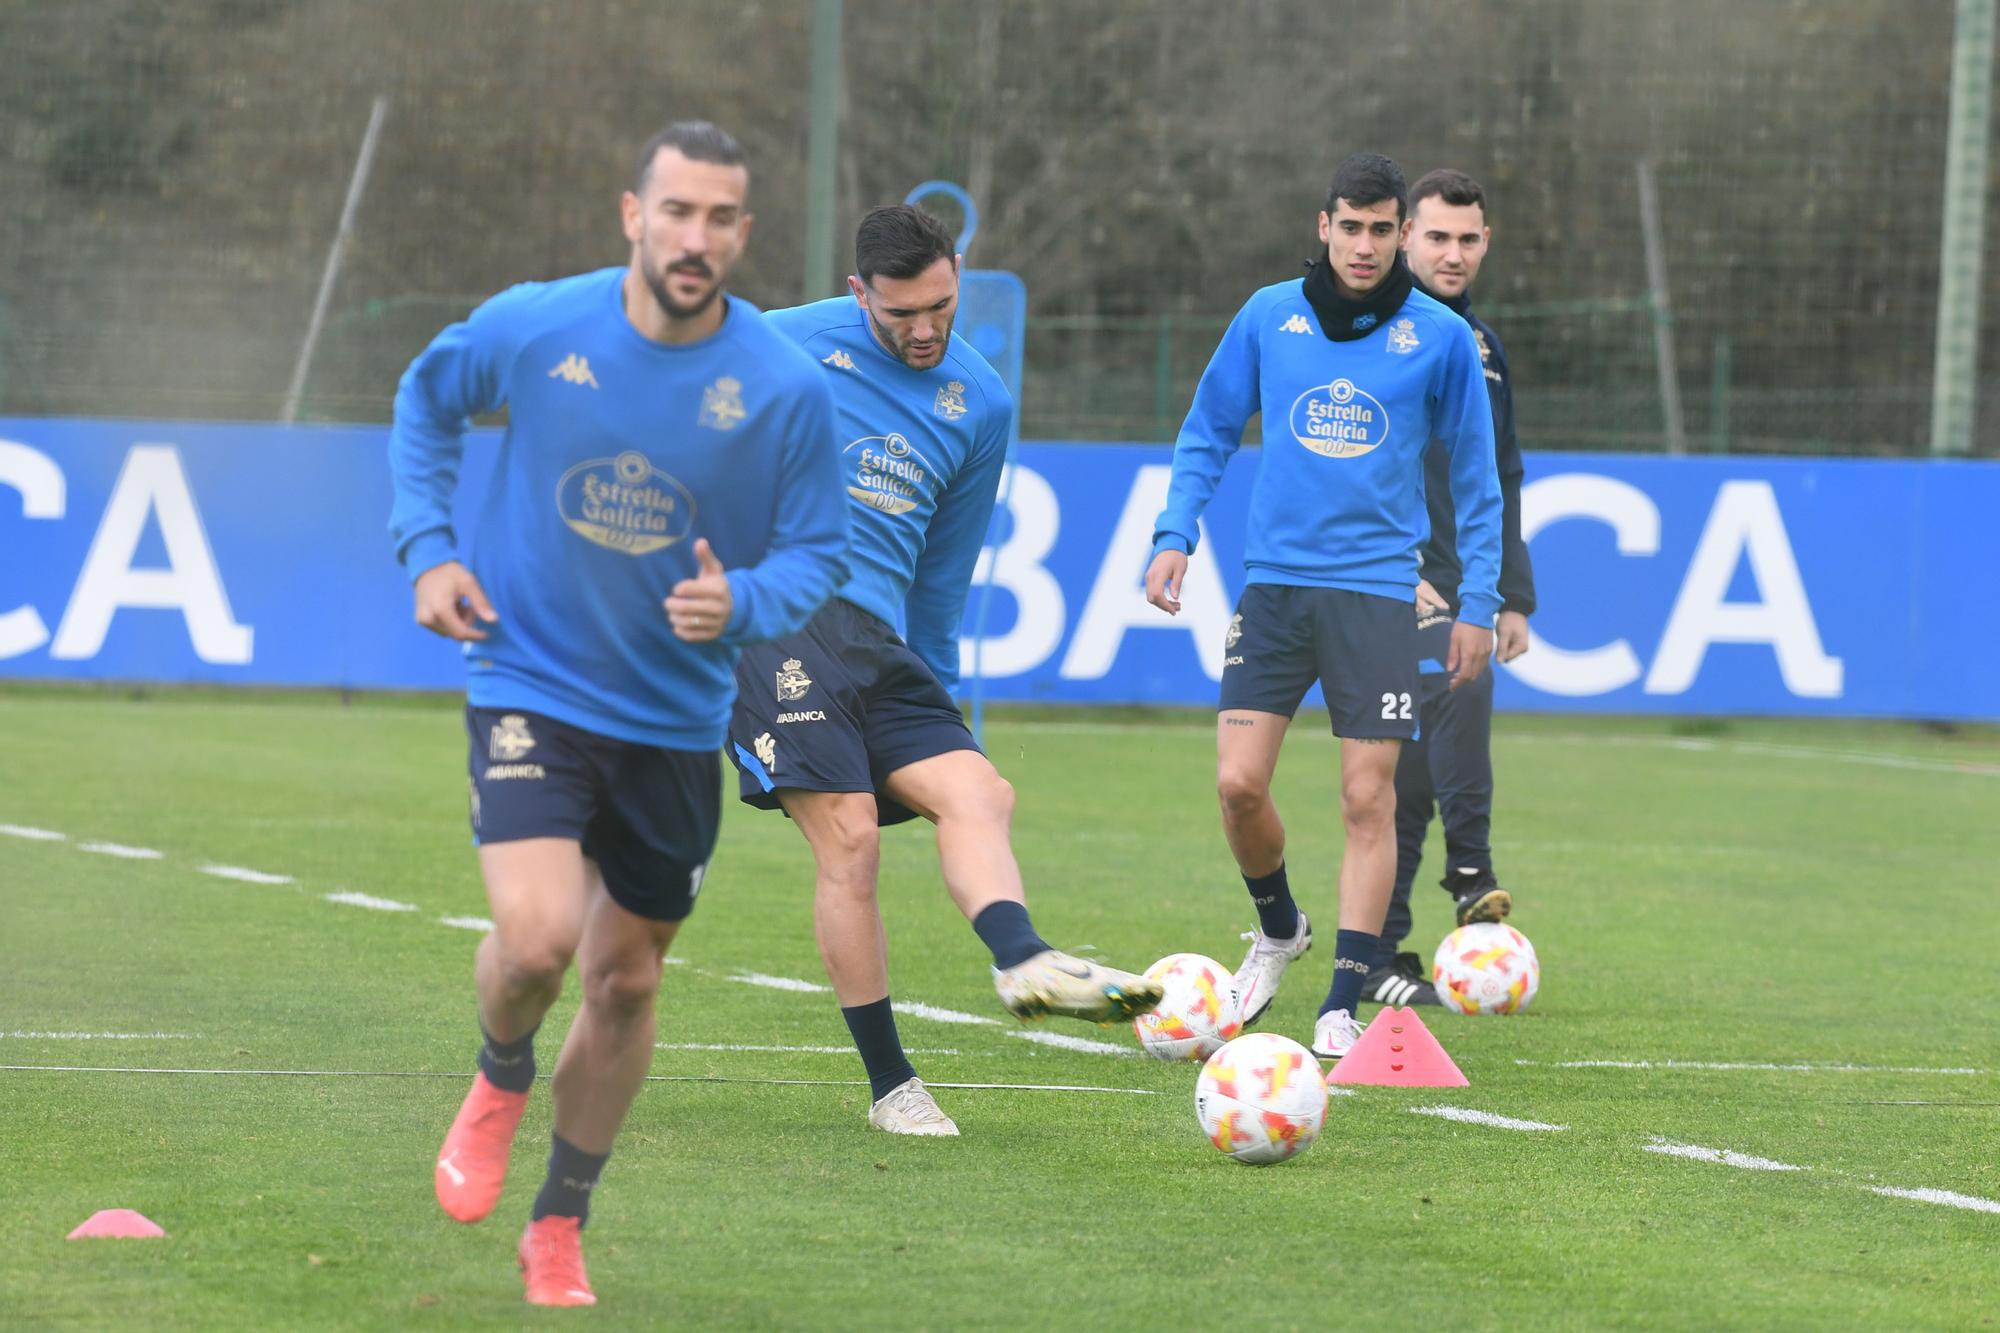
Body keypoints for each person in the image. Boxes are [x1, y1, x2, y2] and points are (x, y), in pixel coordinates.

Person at [387, 121, 849, 1307]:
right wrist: (429, 549)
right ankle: (498, 1078)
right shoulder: (539, 327)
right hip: (529, 681)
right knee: (538, 940)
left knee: (627, 982)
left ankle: (559, 1222)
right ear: (631, 215)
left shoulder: (782, 390)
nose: (696, 239)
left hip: (675, 721)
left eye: (720, 219)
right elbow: (426, 399)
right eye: (676, 211)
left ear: (744, 233)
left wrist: (741, 600)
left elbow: (815, 554)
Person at [727, 204, 1165, 1136]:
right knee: (851, 835)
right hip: (778, 612)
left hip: (881, 644)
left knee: (981, 792)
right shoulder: (775, 341)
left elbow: (944, 568)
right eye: (900, 316)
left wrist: (940, 687)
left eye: (940, 306)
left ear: (958, 272)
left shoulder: (982, 404)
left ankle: (1026, 958)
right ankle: (894, 1086)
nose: (924, 331)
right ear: (858, 295)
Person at [1143, 152, 1502, 1060]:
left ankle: (1343, 996)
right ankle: (1278, 927)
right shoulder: (1269, 316)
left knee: (1365, 797)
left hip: (1379, 593)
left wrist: (1479, 600)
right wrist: (1174, 531)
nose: (1368, 244)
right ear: (1324, 225)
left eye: (1385, 229)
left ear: (1398, 235)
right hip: (1274, 588)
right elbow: (1209, 427)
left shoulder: (1441, 338)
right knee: (1237, 786)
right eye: (1353, 226)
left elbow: (1477, 476)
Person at [1363, 168, 1538, 1008]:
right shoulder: (1369, 333)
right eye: (1436, 236)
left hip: (1459, 586)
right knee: (1460, 690)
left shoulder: (1482, 348)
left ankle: (1378, 957)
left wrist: (1511, 593)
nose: (1453, 252)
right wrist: (1401, 570)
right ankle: (1470, 871)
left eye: (1468, 239)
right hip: (1375, 578)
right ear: (1404, 237)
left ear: (1486, 243)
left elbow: (1500, 474)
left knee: (1410, 770)